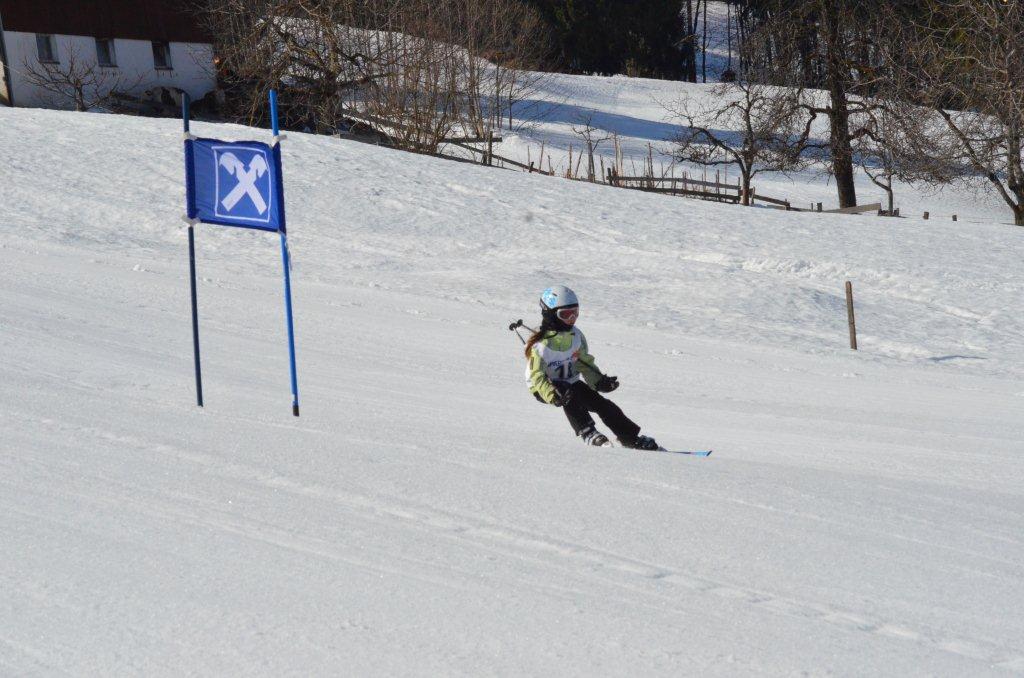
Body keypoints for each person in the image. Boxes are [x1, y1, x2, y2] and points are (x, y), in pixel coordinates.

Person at [523, 285, 660, 450]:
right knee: (568, 394)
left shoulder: (575, 336)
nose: (572, 318)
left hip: (570, 381)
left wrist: (599, 381)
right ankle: (587, 432)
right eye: (565, 314)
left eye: (575, 313)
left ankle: (630, 438)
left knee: (603, 405)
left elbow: (583, 362)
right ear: (550, 314)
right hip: (543, 387)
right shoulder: (540, 346)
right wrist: (552, 394)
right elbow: (536, 376)